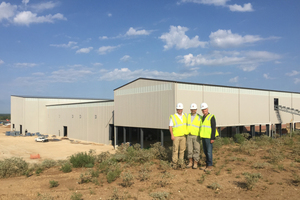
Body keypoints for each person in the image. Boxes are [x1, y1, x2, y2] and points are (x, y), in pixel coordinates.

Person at [200, 102, 219, 171]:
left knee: (209, 152)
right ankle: (207, 165)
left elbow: (213, 128)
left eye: (205, 109)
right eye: (202, 110)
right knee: (205, 151)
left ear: (207, 109)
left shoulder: (211, 116)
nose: (204, 111)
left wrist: (212, 138)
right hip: (204, 137)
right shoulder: (202, 117)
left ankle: (210, 166)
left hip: (209, 137)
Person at [186, 103, 201, 169]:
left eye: (194, 109)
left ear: (196, 109)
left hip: (196, 136)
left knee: (196, 150)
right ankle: (190, 162)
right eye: (192, 109)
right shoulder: (187, 116)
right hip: (189, 135)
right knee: (189, 150)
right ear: (190, 109)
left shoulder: (199, 117)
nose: (193, 110)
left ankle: (195, 163)